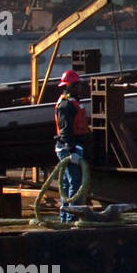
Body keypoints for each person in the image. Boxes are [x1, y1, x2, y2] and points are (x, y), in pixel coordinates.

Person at [53, 69, 89, 224]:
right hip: (68, 149)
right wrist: (72, 150)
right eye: (78, 85)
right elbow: (66, 130)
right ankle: (71, 218)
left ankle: (66, 218)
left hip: (72, 147)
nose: (81, 88)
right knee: (74, 182)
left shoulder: (71, 103)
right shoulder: (66, 105)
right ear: (72, 86)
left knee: (68, 184)